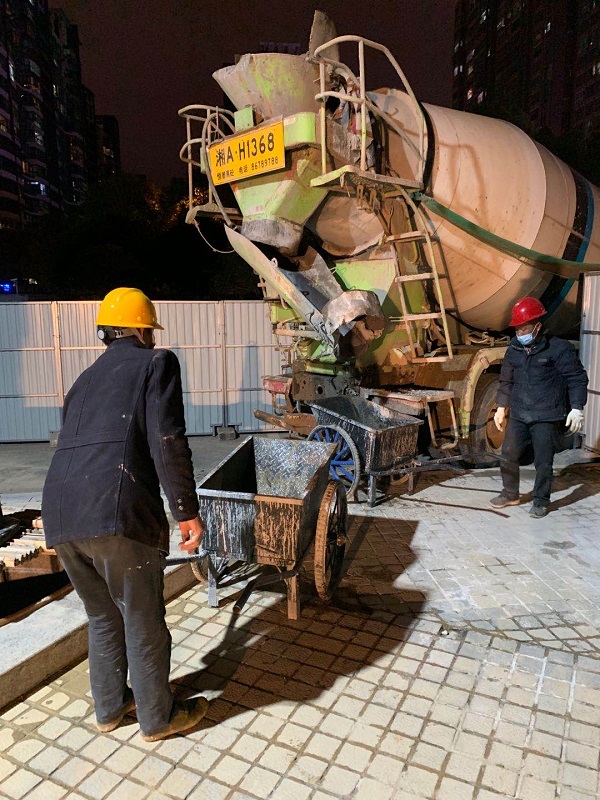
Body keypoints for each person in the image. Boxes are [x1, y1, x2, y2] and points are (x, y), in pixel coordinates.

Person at [41, 287, 208, 741]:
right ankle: (158, 718)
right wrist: (186, 511)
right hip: (115, 514)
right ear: (141, 329)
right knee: (142, 619)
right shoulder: (156, 363)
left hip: (61, 516)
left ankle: (111, 709)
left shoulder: (82, 381)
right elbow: (167, 440)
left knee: (102, 616)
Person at [490, 296, 588, 518]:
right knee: (508, 453)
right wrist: (501, 407)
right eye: (517, 328)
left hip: (546, 414)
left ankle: (541, 500)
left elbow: (576, 378)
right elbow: (506, 381)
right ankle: (510, 493)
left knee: (543, 461)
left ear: (538, 326)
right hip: (519, 413)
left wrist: (576, 407)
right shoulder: (514, 349)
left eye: (524, 328)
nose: (520, 333)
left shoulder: (558, 348)